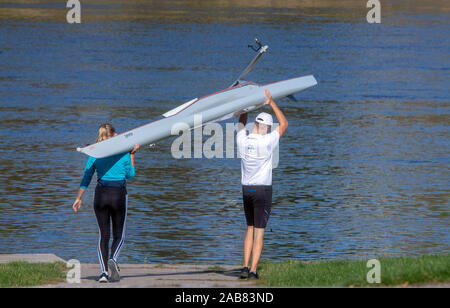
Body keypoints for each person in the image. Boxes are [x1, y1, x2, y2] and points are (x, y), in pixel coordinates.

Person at [72, 123, 139, 283]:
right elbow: (130, 175)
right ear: (113, 134)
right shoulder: (123, 152)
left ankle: (103, 273)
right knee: (120, 236)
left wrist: (78, 198)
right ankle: (113, 259)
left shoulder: (94, 153)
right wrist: (132, 155)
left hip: (100, 195)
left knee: (103, 236)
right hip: (118, 195)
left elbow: (86, 177)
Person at [236, 90, 288, 280]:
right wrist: (271, 102)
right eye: (268, 126)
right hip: (262, 191)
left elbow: (241, 123)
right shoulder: (267, 141)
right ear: (266, 127)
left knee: (249, 228)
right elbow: (284, 124)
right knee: (259, 231)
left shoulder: (242, 140)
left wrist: (245, 105)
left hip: (246, 190)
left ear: (255, 124)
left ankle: (244, 266)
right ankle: (253, 270)